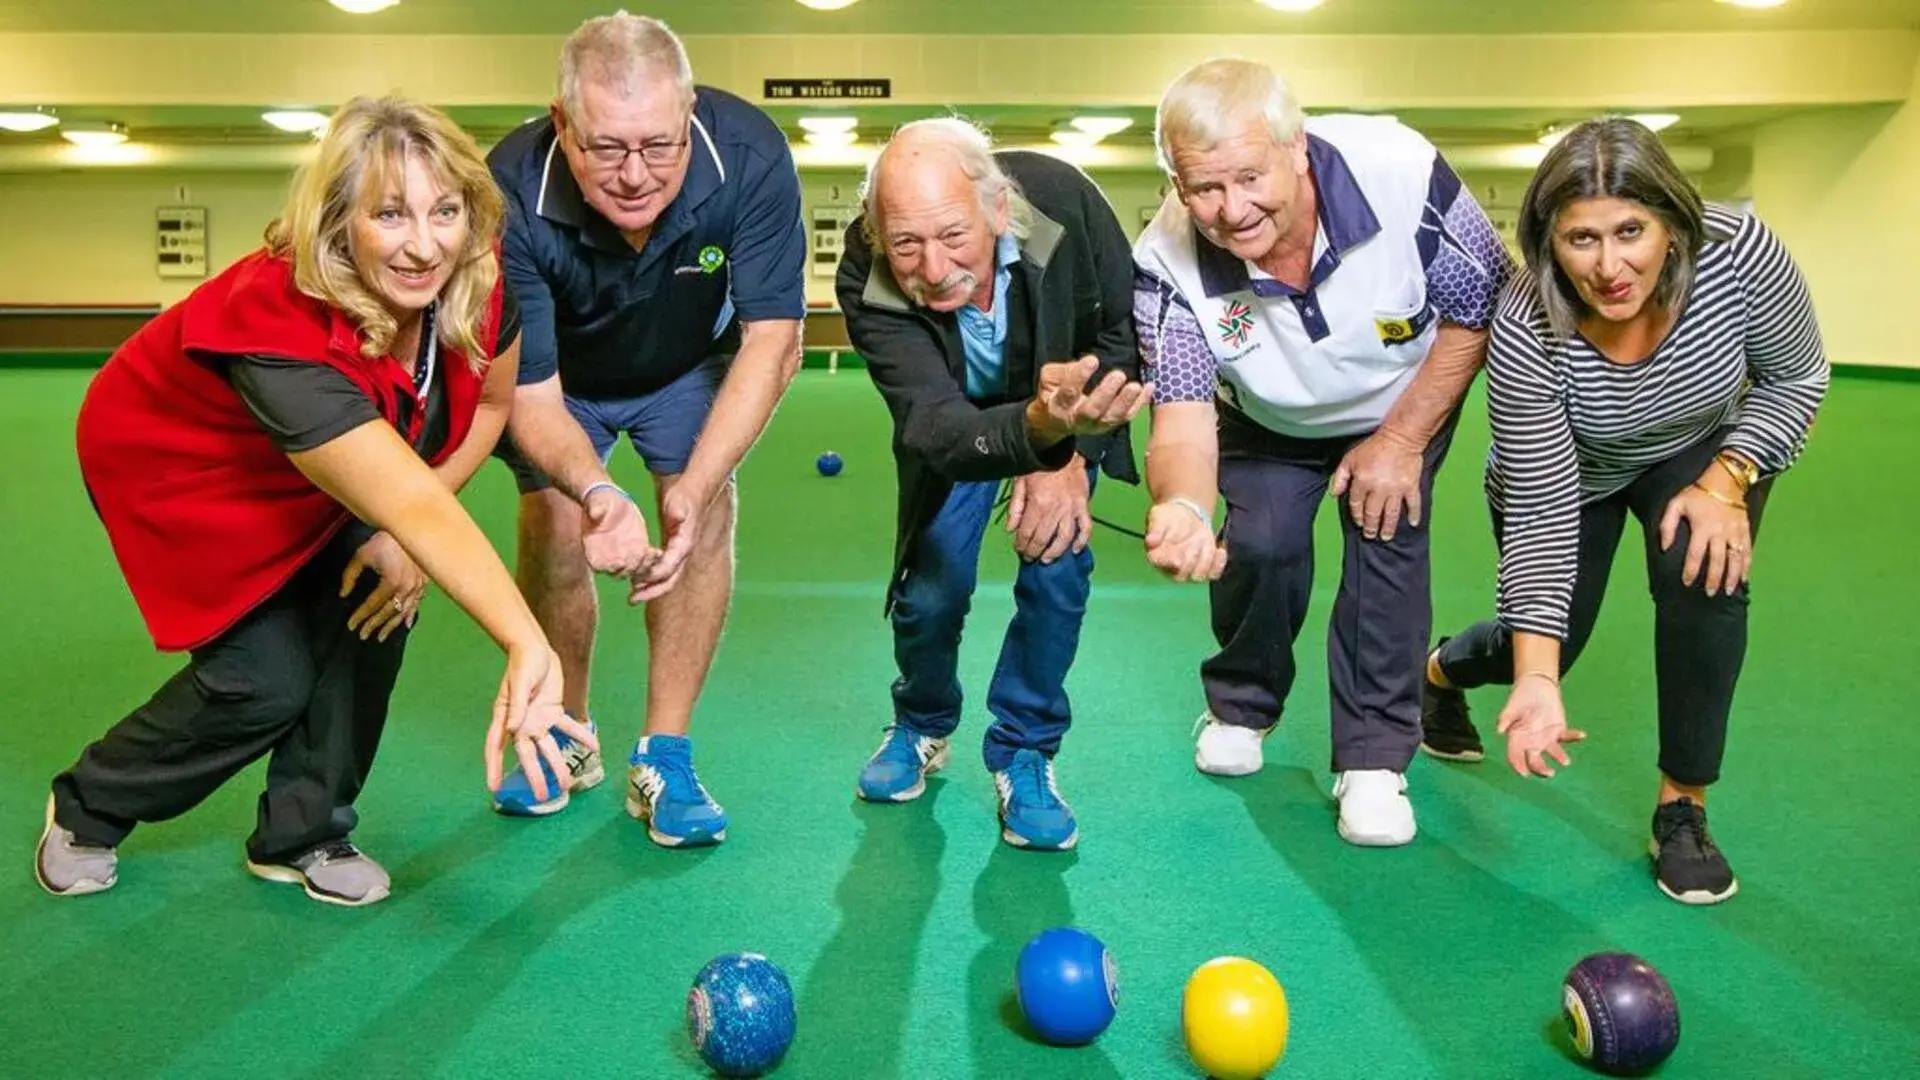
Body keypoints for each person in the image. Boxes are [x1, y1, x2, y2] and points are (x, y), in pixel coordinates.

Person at [37, 96, 645, 907]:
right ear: (338, 224)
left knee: (377, 604)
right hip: (188, 466)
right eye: (389, 214)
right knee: (265, 680)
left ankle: (304, 831)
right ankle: (88, 805)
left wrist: (401, 537)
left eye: (445, 211)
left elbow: (490, 409)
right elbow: (414, 509)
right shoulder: (279, 325)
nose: (424, 244)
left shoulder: (480, 281)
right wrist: (526, 644)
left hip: (357, 452)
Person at [1421, 117, 1828, 904]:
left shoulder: (1738, 254)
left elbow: (1796, 378)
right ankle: (1439, 673)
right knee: (1545, 646)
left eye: (1631, 231)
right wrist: (1537, 678)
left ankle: (1683, 807)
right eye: (1581, 240)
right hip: (1574, 470)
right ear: (1548, 242)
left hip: (1703, 445)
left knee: (1703, 577)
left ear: (1672, 224)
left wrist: (1727, 479)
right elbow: (1539, 509)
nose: (1610, 267)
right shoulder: (1527, 320)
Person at [1133, 58, 1510, 846]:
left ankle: (1374, 760)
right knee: (1262, 543)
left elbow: (1477, 311)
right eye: (1202, 188)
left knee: (1386, 539)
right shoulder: (1164, 261)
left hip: (1403, 400)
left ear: (1295, 147)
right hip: (1267, 417)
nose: (1231, 211)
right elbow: (1182, 412)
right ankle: (1241, 704)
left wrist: (1402, 439)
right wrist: (1183, 507)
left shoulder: (1403, 172)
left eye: (1248, 177)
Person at [486, 12, 805, 846]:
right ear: (563, 124)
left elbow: (773, 340)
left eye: (659, 146)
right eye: (605, 148)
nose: (635, 175)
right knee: (554, 524)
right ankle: (568, 734)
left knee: (698, 517)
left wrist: (695, 487)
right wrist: (593, 491)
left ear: (690, 110)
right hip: (561, 383)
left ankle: (664, 753)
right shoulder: (508, 189)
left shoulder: (751, 154)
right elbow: (530, 392)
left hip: (686, 365)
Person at [836, 118, 1152, 851]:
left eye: (953, 236)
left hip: (1064, 410)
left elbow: (1120, 335)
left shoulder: (1061, 203)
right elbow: (932, 420)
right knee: (931, 587)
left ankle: (1026, 751)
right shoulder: (867, 268)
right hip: (961, 427)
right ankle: (920, 721)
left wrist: (1068, 452)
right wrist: (1036, 434)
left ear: (998, 210)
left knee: (1057, 570)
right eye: (906, 244)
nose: (934, 266)